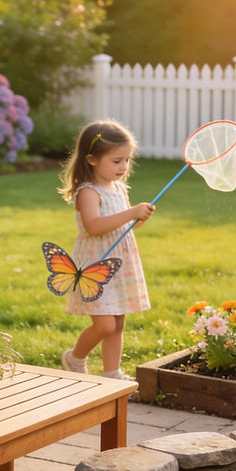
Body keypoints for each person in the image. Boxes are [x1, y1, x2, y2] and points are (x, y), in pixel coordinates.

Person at [55, 120, 155, 380]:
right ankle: (74, 357)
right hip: (96, 266)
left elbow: (123, 227)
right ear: (91, 159)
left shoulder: (119, 188)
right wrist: (130, 212)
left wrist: (138, 218)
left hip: (119, 264)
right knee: (105, 324)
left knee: (118, 323)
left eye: (127, 160)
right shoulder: (88, 191)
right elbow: (93, 226)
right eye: (116, 161)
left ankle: (111, 372)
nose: (123, 167)